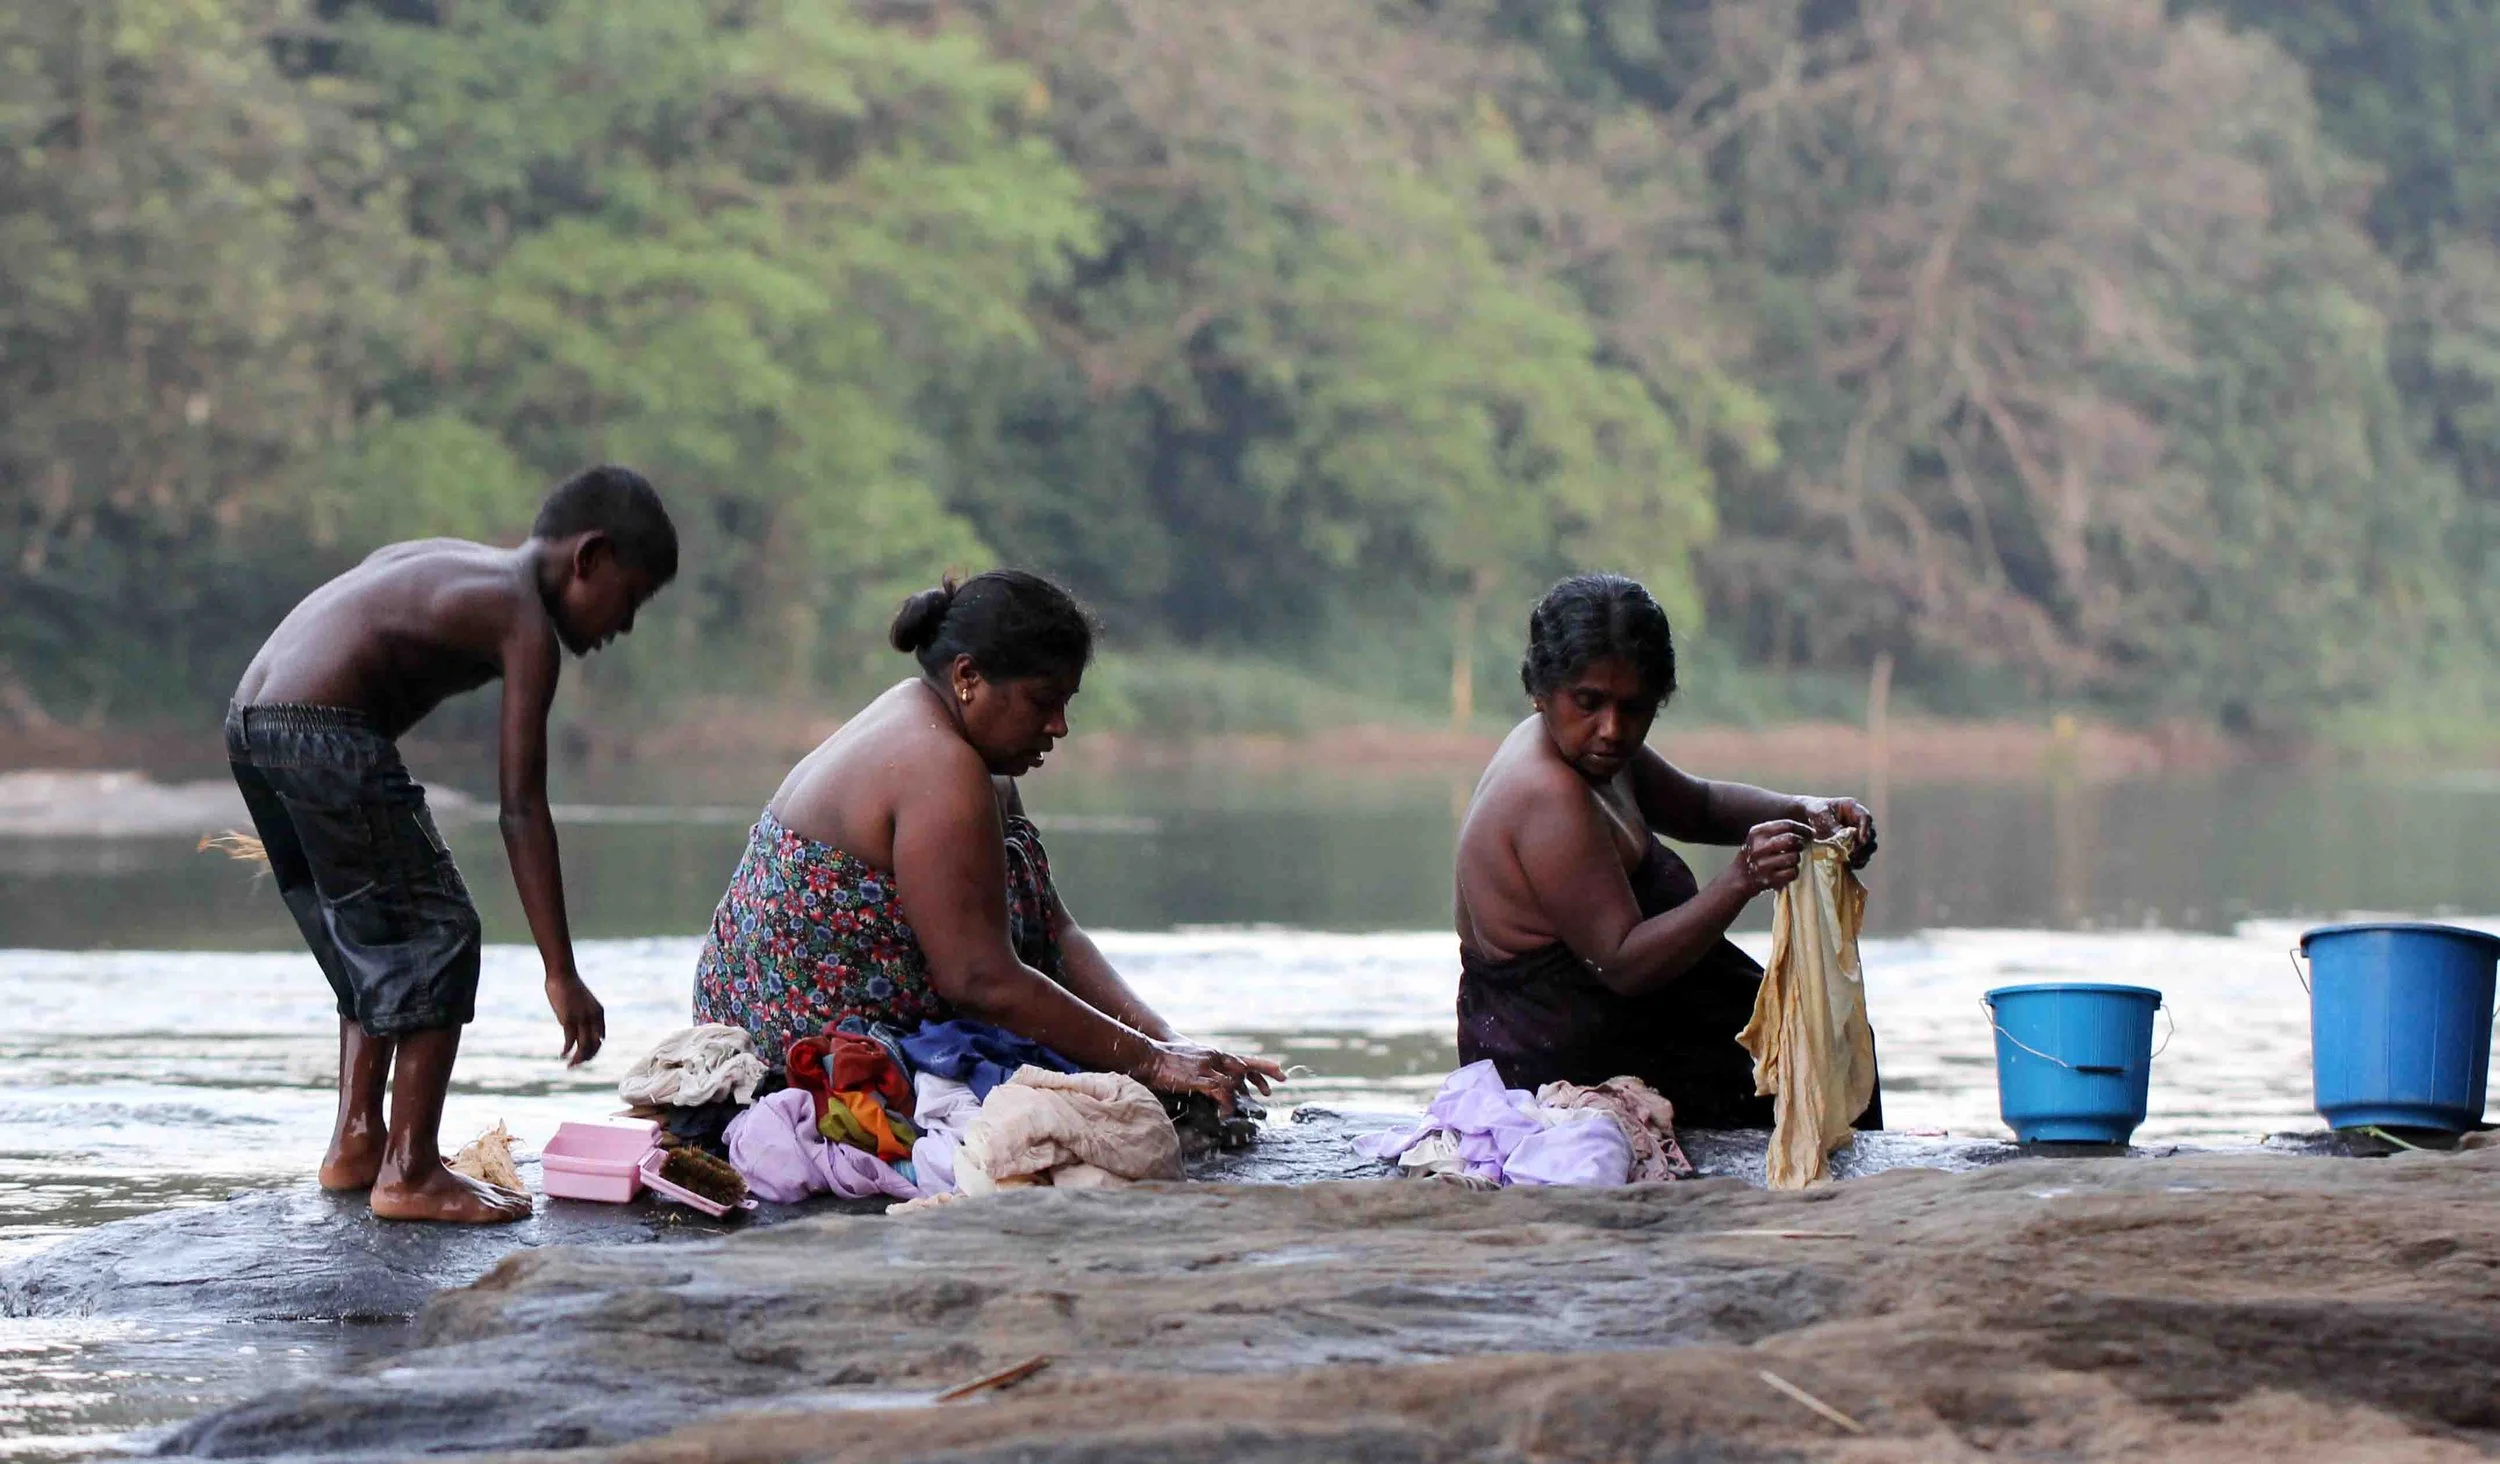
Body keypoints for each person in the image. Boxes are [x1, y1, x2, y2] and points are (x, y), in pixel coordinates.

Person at [225, 466, 677, 1223]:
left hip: (250, 719)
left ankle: (356, 1142)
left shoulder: (451, 562)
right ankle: (409, 1172)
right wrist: (561, 972)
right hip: (324, 727)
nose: (624, 624)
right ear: (590, 557)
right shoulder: (522, 619)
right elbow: (521, 809)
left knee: (366, 932)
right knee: (441, 932)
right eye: (629, 598)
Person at [694, 570, 1282, 1109]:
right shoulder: (938, 765)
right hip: (795, 1050)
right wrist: (1151, 1064)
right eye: (1041, 702)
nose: (1059, 726)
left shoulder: (966, 750)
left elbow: (1056, 933)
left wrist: (1169, 1043)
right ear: (967, 677)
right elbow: (980, 981)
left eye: (1065, 703)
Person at [1452, 572, 1884, 1129]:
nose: (1612, 728)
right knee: (1809, 1059)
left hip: (1634, 1015)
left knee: (1835, 1038)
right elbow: (1622, 962)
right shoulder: (1548, 794)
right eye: (1589, 702)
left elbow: (1699, 806)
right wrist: (1743, 878)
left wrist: (1807, 811)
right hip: (1563, 1051)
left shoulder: (1593, 752)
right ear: (1543, 691)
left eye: (1634, 708)